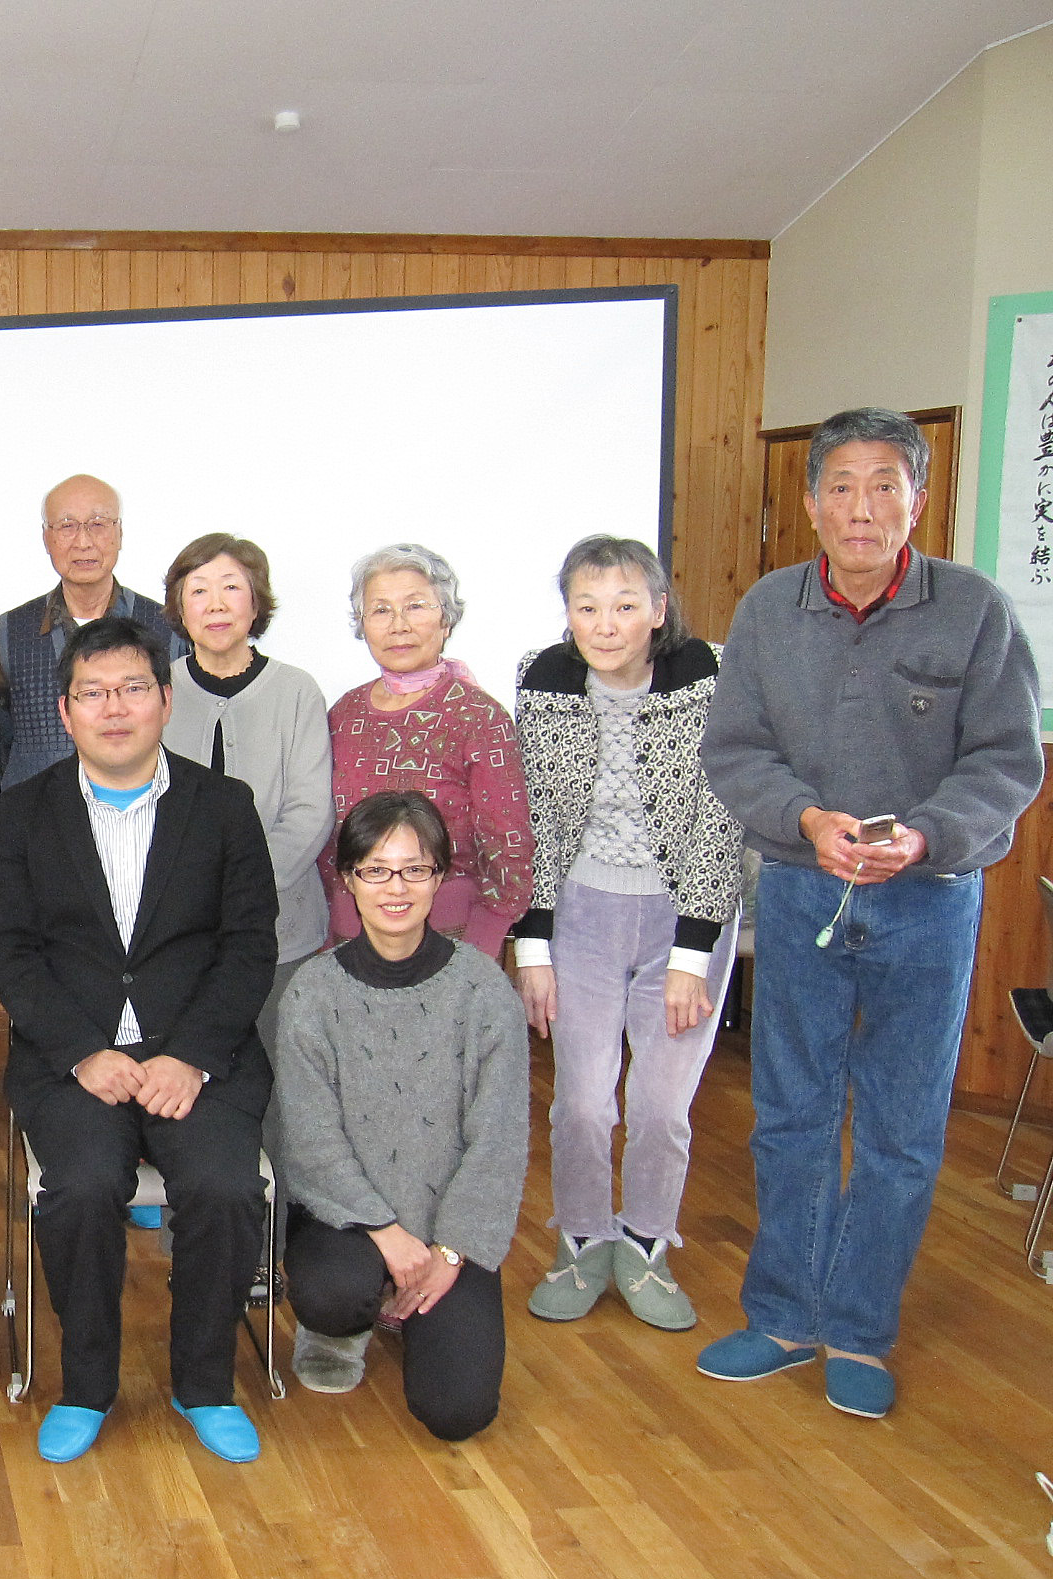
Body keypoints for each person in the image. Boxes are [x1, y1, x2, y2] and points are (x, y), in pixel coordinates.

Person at [697, 407, 1042, 1419]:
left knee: (899, 1127)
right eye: (840, 487)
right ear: (810, 502)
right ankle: (783, 1313)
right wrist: (804, 818)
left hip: (929, 899)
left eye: (884, 485)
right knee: (791, 1113)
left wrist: (926, 835)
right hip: (805, 883)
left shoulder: (973, 610)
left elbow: (1006, 761)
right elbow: (735, 753)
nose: (861, 508)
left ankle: (857, 1328)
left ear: (918, 499)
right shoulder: (767, 611)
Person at [0, 616, 276, 1466]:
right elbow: (11, 950)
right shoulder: (23, 813)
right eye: (94, 694)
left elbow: (249, 942)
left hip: (197, 1053)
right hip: (72, 1058)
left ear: (166, 701)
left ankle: (205, 1382)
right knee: (78, 1187)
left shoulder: (224, 807)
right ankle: (87, 1383)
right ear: (65, 712)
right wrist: (82, 1052)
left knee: (222, 1187)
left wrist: (192, 1055)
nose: (115, 709)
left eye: (134, 689)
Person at [513, 537, 743, 1331]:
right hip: (581, 914)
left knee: (659, 1106)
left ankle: (646, 1245)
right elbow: (534, 817)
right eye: (586, 606)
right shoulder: (543, 679)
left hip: (686, 917)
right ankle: (581, 1240)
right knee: (580, 1103)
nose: (604, 624)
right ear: (567, 613)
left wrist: (691, 958)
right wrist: (533, 948)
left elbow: (720, 818)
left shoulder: (708, 676)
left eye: (623, 605)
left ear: (658, 609)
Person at [274, 791, 529, 1442]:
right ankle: (354, 1316)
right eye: (375, 869)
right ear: (348, 880)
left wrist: (448, 1250)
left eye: (414, 869)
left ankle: (410, 1300)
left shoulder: (482, 989)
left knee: (457, 1412)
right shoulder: (313, 991)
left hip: (449, 1229)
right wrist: (387, 1234)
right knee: (332, 1291)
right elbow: (310, 1138)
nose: (396, 887)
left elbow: (498, 1139)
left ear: (440, 876)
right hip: (349, 1226)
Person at [159, 531, 332, 1075]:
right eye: (198, 590)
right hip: (174, 935)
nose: (215, 604)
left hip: (282, 930)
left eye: (231, 587)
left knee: (287, 1083)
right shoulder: (156, 691)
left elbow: (309, 813)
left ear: (255, 601)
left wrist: (240, 891)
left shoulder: (297, 690)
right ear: (179, 608)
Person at [321, 544, 533, 959]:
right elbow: (327, 837)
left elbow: (508, 843)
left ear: (446, 620)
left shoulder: (479, 715)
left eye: (416, 606)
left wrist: (481, 949)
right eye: (380, 610)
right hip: (350, 939)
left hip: (450, 942)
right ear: (362, 624)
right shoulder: (342, 713)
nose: (398, 625)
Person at [0, 474, 187, 788]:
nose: (83, 541)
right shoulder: (12, 633)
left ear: (119, 534)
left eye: (98, 524)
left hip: (145, 816)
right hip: (37, 823)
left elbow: (183, 736)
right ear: (47, 539)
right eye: (66, 525)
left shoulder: (166, 628)